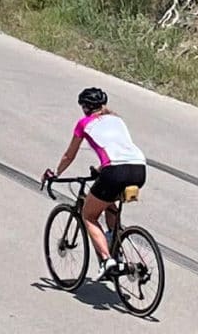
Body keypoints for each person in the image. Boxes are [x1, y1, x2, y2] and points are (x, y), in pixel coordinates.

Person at [42, 87, 148, 281]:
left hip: (115, 171)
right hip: (139, 169)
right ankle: (114, 245)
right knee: (108, 204)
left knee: (88, 215)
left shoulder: (84, 124)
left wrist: (55, 173)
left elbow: (69, 155)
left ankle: (107, 260)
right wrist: (100, 170)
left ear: (85, 107)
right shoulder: (117, 119)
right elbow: (119, 149)